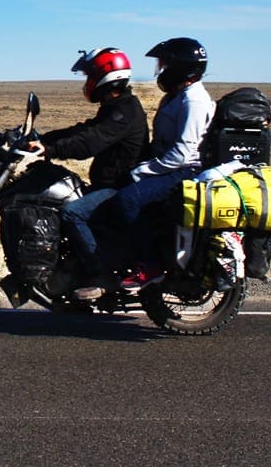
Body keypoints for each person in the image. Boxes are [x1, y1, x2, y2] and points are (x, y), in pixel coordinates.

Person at [72, 37, 215, 300]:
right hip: (168, 166)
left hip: (184, 169)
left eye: (164, 63)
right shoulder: (177, 96)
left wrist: (142, 171)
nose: (160, 70)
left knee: (128, 199)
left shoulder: (194, 100)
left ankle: (149, 266)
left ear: (181, 67)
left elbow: (183, 152)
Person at [31, 48, 149, 285]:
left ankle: (100, 274)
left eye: (90, 76)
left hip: (118, 186)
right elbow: (84, 130)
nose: (87, 83)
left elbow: (90, 142)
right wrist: (43, 139)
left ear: (106, 77)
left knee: (72, 213)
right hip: (109, 183)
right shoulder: (116, 106)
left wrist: (51, 150)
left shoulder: (125, 111)